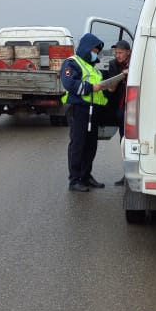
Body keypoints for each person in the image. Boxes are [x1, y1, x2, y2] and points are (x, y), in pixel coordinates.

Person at [59, 32, 109, 192]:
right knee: (78, 144)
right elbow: (69, 83)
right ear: (86, 48)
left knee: (90, 145)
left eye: (97, 52)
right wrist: (90, 88)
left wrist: (109, 87)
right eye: (93, 51)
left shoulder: (93, 67)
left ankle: (86, 176)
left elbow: (99, 89)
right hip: (78, 109)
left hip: (93, 111)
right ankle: (74, 180)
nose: (95, 54)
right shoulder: (71, 62)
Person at [101, 39, 132, 185]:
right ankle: (126, 175)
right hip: (121, 107)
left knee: (134, 141)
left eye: (120, 53)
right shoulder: (113, 64)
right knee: (123, 140)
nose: (117, 55)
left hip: (135, 107)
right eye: (115, 53)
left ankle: (134, 173)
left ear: (128, 52)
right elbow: (111, 86)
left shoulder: (137, 61)